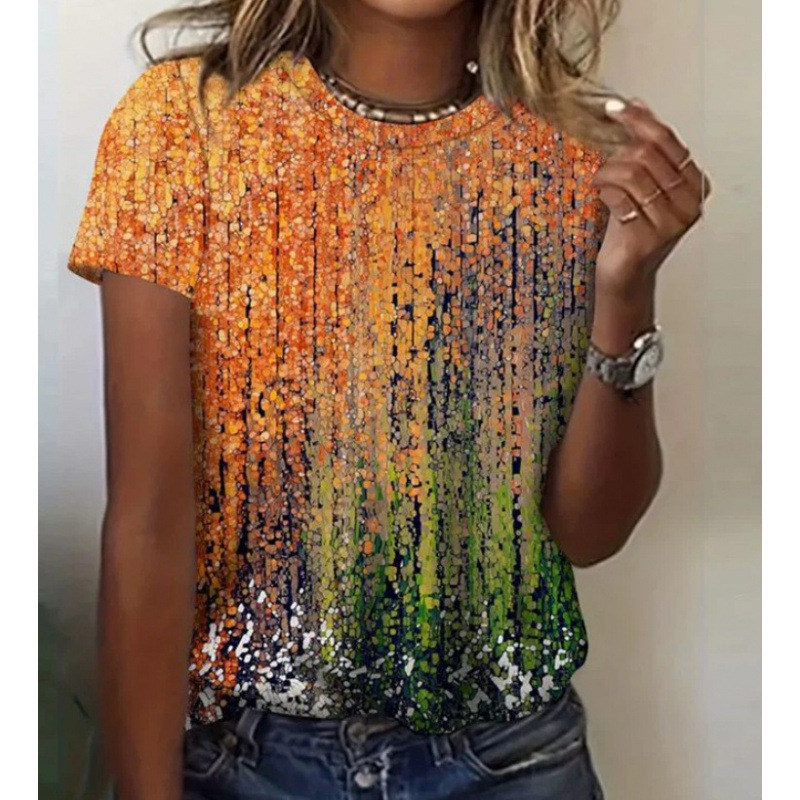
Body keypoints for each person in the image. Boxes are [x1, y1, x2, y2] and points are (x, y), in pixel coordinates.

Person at [67, 1, 711, 798]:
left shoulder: (581, 153)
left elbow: (589, 531)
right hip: (242, 761)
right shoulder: (182, 125)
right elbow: (147, 524)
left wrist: (628, 287)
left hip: (512, 761)